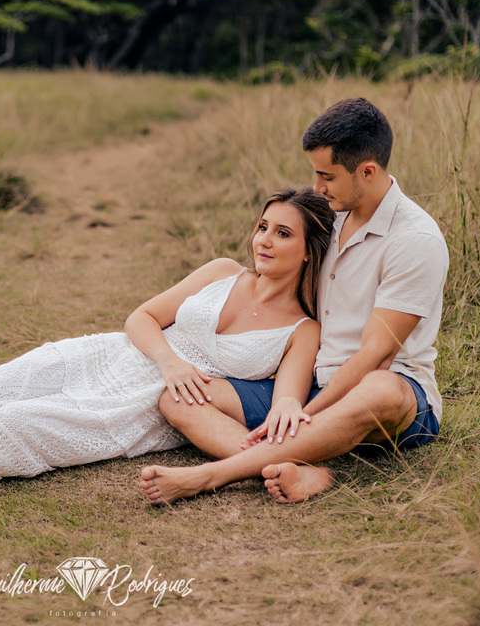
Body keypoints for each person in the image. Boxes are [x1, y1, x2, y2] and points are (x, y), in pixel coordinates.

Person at [0, 187, 334, 491]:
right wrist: (169, 363)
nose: (264, 240)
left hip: (146, 405)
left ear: (310, 251)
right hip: (127, 353)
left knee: (13, 423)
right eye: (263, 227)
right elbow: (143, 316)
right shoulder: (222, 271)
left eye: (283, 234)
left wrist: (293, 418)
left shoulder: (301, 328)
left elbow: (287, 396)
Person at [141, 98, 448, 505]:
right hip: (307, 382)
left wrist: (305, 414)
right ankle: (308, 469)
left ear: (368, 171)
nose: (317, 188)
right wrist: (287, 400)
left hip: (389, 392)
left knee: (380, 391)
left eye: (327, 176)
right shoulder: (329, 216)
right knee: (180, 399)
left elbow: (376, 355)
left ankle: (212, 476)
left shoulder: (414, 241)